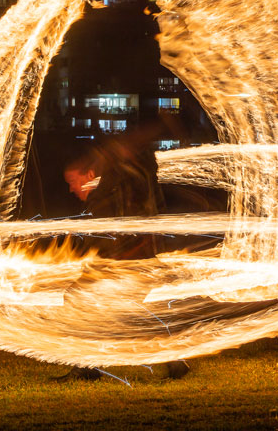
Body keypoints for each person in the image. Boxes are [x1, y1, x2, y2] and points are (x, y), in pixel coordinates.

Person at [58, 138, 189, 380]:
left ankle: (87, 368)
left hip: (128, 266)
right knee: (141, 315)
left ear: (89, 174)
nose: (71, 189)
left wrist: (99, 266)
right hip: (137, 264)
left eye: (73, 181)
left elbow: (115, 236)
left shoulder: (105, 196)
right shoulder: (120, 186)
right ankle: (175, 362)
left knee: (78, 301)